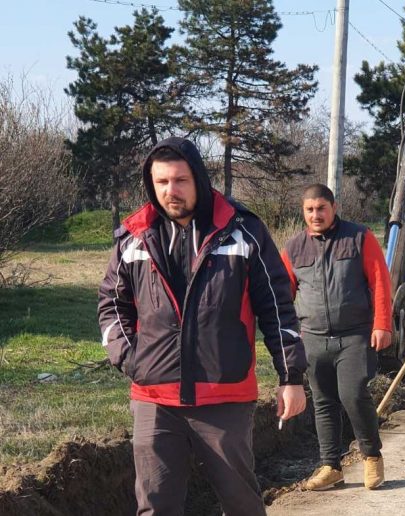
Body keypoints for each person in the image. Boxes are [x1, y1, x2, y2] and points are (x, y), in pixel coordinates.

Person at [97, 137, 306, 516]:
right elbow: (112, 305)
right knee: (156, 506)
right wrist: (131, 359)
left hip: (224, 395)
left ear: (199, 179)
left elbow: (277, 309)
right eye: (161, 182)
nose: (170, 191)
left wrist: (291, 377)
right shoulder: (133, 237)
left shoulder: (243, 231)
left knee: (240, 503)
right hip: (155, 398)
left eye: (180, 180)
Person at [280, 184, 392, 491]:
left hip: (354, 335)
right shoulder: (293, 248)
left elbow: (381, 281)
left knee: (353, 394)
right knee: (323, 402)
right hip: (313, 338)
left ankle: (371, 456)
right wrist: (287, 337)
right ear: (303, 212)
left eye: (321, 208)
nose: (316, 215)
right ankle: (331, 466)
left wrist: (382, 324)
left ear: (334, 207)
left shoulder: (360, 237)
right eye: (310, 210)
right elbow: (282, 296)